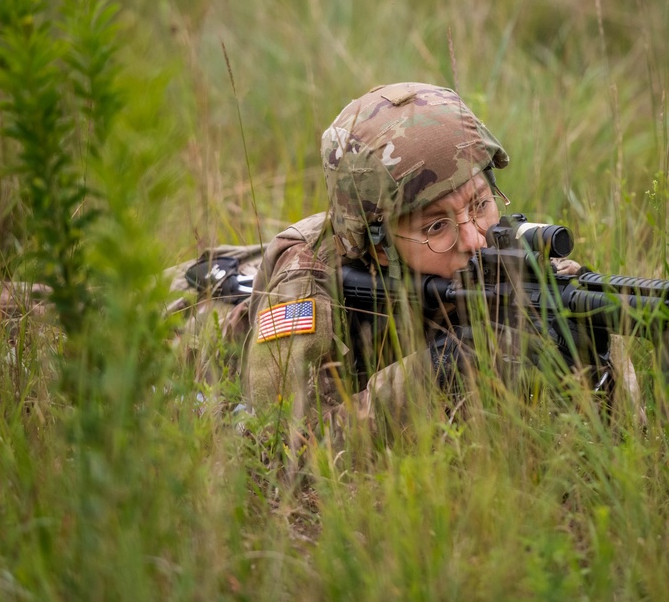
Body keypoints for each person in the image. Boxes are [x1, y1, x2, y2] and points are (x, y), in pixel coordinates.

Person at [243, 82, 636, 447]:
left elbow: (627, 439)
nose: (474, 239)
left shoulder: (525, 269)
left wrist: (593, 364)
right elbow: (285, 445)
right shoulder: (306, 277)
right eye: (435, 226)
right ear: (379, 245)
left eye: (480, 204)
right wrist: (437, 371)